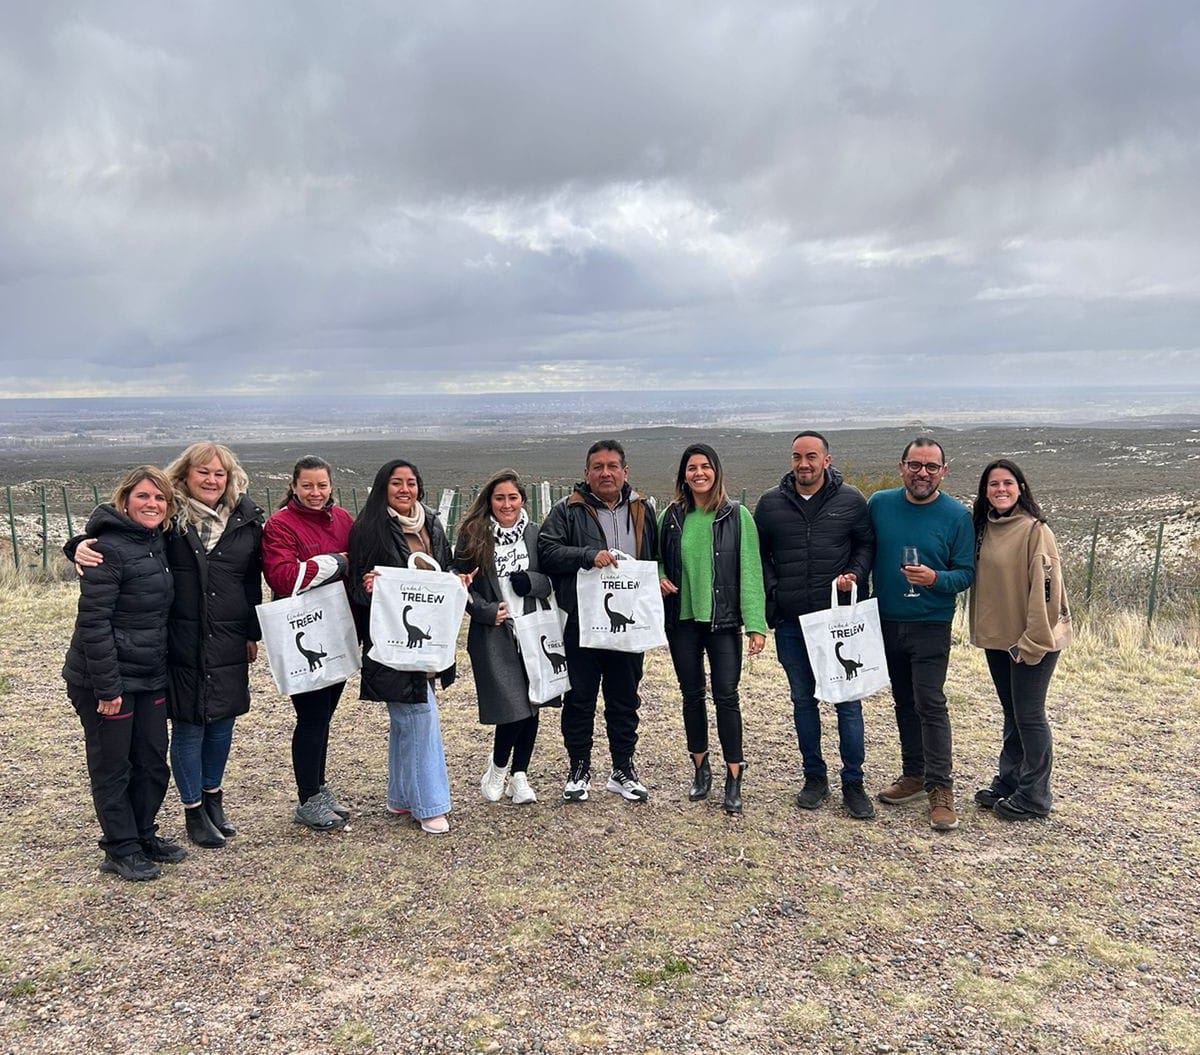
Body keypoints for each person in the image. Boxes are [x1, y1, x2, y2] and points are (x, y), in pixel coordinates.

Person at [72, 443, 264, 849]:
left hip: (228, 636)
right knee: (190, 725)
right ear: (185, 475)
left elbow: (250, 581)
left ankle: (213, 801)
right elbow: (120, 534)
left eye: (219, 474)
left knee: (222, 723)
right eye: (203, 472)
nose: (211, 480)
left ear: (230, 479)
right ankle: (192, 811)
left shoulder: (246, 519)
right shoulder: (170, 518)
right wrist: (77, 546)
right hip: (178, 638)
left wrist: (252, 631)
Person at [62, 466, 185, 881]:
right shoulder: (107, 549)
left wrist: (73, 544)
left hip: (149, 673)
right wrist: (107, 686)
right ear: (125, 500)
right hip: (105, 679)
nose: (152, 504)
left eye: (159, 498)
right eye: (143, 497)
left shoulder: (157, 542)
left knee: (151, 760)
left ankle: (143, 834)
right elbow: (94, 623)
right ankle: (120, 847)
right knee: (113, 764)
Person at [754, 431, 877, 820]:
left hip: (836, 621)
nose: (803, 464)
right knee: (803, 701)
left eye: (811, 457)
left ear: (827, 460)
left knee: (846, 703)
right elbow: (759, 556)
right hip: (792, 621)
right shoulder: (771, 504)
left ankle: (853, 783)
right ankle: (814, 777)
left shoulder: (851, 500)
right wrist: (775, 591)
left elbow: (865, 545)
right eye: (796, 457)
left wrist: (854, 574)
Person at [538, 439, 659, 802]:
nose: (605, 473)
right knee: (580, 700)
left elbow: (652, 557)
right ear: (586, 473)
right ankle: (579, 768)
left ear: (625, 472)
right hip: (581, 623)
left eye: (612, 466)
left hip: (629, 624)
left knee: (625, 699)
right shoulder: (567, 510)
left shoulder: (643, 509)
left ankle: (623, 768)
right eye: (598, 467)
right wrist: (588, 555)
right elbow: (547, 552)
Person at [867, 436, 975, 831]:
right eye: (915, 465)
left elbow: (965, 573)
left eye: (931, 467)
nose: (922, 473)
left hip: (931, 622)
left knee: (930, 702)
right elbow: (863, 550)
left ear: (944, 471)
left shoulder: (957, 516)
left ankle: (940, 789)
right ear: (901, 468)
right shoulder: (879, 505)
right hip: (887, 620)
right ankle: (913, 774)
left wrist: (934, 579)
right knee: (903, 701)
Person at [349, 459, 456, 835]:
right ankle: (430, 805)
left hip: (427, 642)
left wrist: (457, 580)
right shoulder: (368, 529)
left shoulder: (432, 523)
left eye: (411, 482)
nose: (405, 489)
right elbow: (354, 590)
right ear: (383, 487)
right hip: (392, 644)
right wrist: (368, 590)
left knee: (405, 721)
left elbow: (444, 568)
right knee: (419, 717)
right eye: (396, 483)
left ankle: (400, 797)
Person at [658, 444, 765, 815]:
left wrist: (756, 624)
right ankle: (701, 769)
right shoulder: (670, 517)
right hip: (683, 621)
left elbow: (750, 571)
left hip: (723, 622)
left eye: (705, 467)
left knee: (726, 697)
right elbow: (654, 558)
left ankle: (734, 777)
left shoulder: (737, 516)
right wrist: (658, 577)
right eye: (691, 468)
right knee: (691, 696)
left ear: (716, 472)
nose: (698, 473)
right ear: (683, 475)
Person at [969, 459, 1072, 820]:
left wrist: (1030, 642)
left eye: (1007, 483)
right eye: (993, 484)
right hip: (999, 640)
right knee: (1012, 713)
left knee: (1029, 715)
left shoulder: (1035, 531)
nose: (1001, 490)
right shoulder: (984, 527)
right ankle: (1010, 781)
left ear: (1021, 488)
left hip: (1032, 641)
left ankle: (1035, 796)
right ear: (985, 491)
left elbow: (1047, 592)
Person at [262, 455, 354, 831]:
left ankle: (318, 789)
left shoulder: (344, 519)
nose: (315, 493)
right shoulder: (279, 525)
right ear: (294, 486)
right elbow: (285, 578)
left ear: (331, 485)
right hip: (303, 629)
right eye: (307, 486)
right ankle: (307, 799)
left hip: (339, 628)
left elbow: (359, 562)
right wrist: (338, 562)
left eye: (322, 485)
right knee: (312, 716)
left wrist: (326, 565)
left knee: (325, 714)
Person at [453, 470, 556, 805]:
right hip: (496, 632)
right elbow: (458, 578)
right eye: (500, 498)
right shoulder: (474, 535)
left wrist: (533, 583)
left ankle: (520, 775)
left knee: (534, 702)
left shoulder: (535, 534)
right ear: (490, 501)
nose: (507, 504)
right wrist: (483, 610)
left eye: (513, 497)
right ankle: (497, 767)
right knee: (514, 705)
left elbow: (551, 580)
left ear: (522, 500)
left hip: (533, 627)